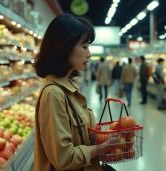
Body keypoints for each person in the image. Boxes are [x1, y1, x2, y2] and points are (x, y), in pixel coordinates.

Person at [34, 14, 118, 171]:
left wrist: (100, 136)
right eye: (84, 46)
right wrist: (100, 149)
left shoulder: (69, 87)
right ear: (63, 46)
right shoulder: (54, 94)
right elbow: (63, 159)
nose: (89, 53)